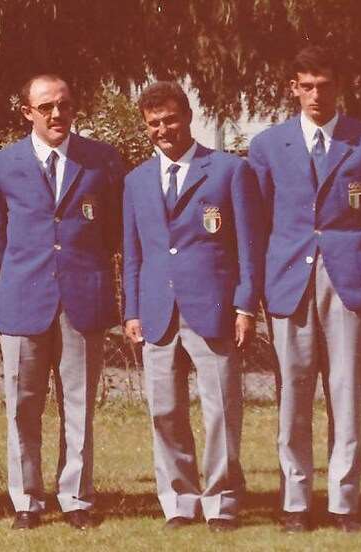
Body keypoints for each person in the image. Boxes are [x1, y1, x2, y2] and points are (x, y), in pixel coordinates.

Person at [249, 46, 361, 533]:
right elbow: (259, 221)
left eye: (326, 85)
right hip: (290, 280)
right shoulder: (268, 145)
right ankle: (295, 502)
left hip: (349, 280)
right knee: (293, 393)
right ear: (293, 88)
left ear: (339, 86)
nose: (317, 94)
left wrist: (360, 258)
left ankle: (343, 503)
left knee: (346, 393)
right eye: (307, 85)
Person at [0, 73, 125, 530]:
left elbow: (111, 231)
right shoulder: (0, 166)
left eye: (64, 104)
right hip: (25, 298)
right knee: (22, 406)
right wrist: (29, 270)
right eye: (46, 107)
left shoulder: (101, 160)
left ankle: (76, 498)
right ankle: (26, 500)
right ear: (27, 113)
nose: (57, 114)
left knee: (78, 404)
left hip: (82, 299)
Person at [122, 81, 261, 533]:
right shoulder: (136, 180)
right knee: (164, 411)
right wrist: (132, 310)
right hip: (158, 311)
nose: (163, 129)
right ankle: (179, 501)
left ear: (188, 117)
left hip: (213, 308)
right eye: (154, 123)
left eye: (170, 119)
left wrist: (245, 306)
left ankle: (222, 502)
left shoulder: (228, 170)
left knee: (220, 409)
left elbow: (248, 246)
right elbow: (133, 253)